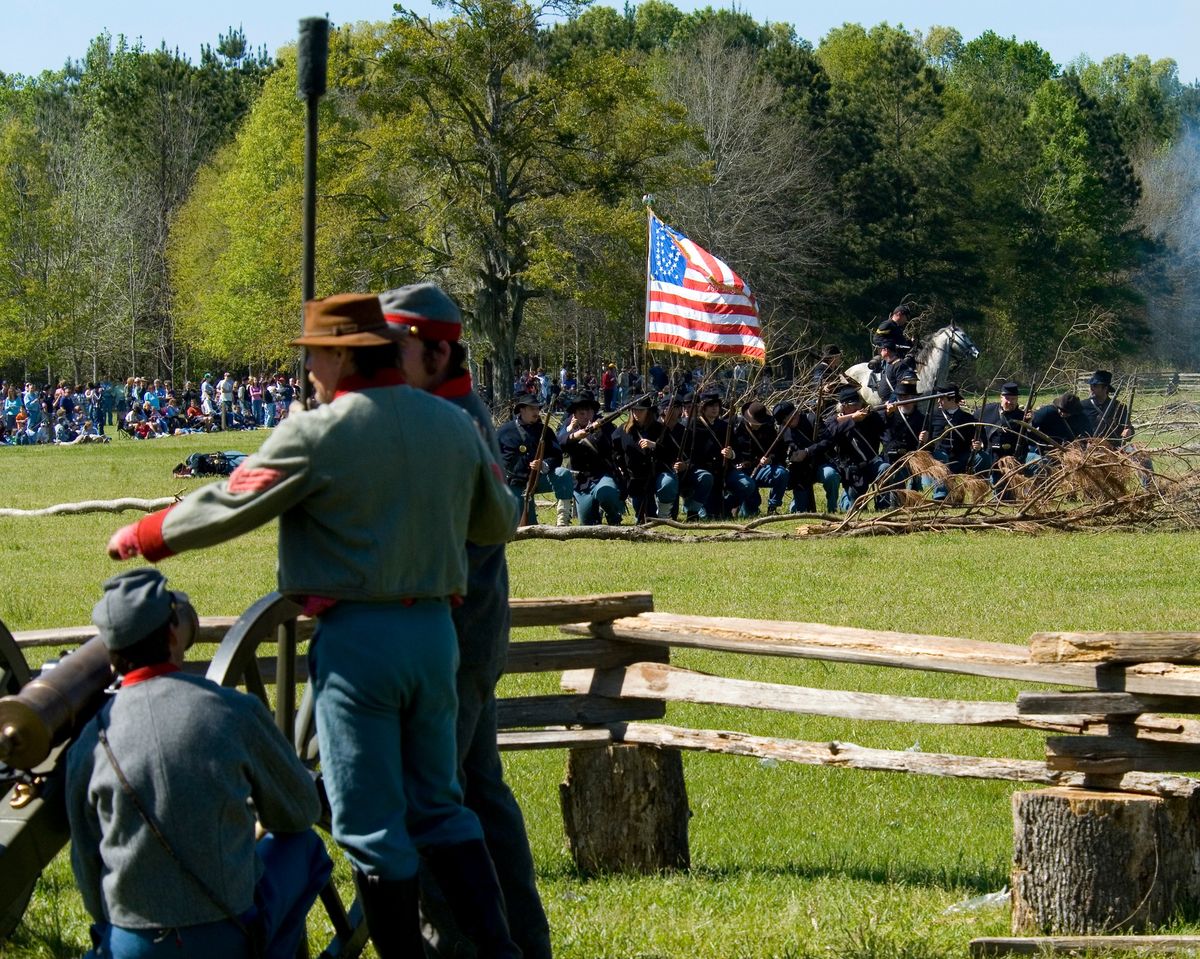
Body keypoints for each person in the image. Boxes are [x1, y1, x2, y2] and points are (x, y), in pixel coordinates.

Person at [104, 293, 521, 958]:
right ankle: (502, 951)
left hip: (359, 643)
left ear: (345, 355)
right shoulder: (450, 424)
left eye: (315, 356)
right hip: (435, 637)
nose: (309, 373)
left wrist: (147, 533)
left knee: (369, 826)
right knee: (443, 806)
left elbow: (235, 498)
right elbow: (498, 520)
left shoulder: (321, 430)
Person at [382, 283, 552, 959]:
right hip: (468, 640)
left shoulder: (456, 422)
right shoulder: (442, 410)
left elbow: (462, 534)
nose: (385, 365)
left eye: (396, 350)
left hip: (453, 641)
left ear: (437, 351)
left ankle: (460, 945)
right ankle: (521, 940)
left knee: (432, 803)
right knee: (481, 793)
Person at [66, 568, 331, 959]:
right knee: (303, 845)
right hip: (227, 936)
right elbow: (301, 811)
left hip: (132, 946)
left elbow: (88, 864)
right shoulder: (233, 711)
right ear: (173, 634)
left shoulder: (90, 741)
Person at [497, 393, 575, 526]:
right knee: (528, 525)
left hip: (539, 478)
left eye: (537, 408)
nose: (536, 412)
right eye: (532, 408)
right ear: (522, 410)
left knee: (563, 474)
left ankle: (563, 520)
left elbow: (557, 455)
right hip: (516, 483)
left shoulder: (545, 431)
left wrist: (544, 464)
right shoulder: (504, 431)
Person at [559, 389, 625, 525]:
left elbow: (616, 445)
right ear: (574, 415)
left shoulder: (604, 425)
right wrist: (573, 434)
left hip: (602, 475)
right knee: (587, 522)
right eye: (581, 413)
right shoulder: (568, 427)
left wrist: (598, 432)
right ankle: (595, 512)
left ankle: (613, 516)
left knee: (607, 493)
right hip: (581, 481)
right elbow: (559, 443)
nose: (586, 416)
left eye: (589, 412)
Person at [613, 393, 677, 521]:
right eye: (634, 410)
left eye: (641, 410)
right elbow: (614, 452)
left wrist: (655, 446)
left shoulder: (660, 429)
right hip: (636, 479)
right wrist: (620, 468)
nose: (637, 413)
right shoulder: (622, 430)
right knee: (644, 518)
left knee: (667, 484)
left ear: (648, 411)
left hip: (658, 473)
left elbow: (672, 453)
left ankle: (664, 516)